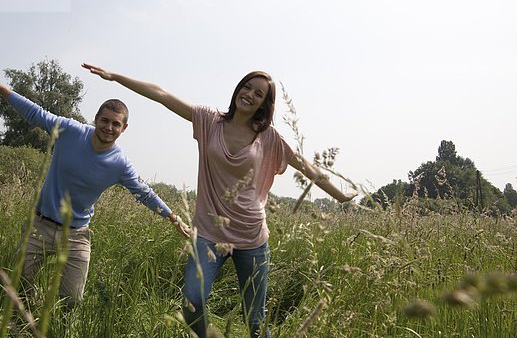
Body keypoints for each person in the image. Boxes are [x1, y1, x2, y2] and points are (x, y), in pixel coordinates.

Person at [81, 63, 356, 337]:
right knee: (192, 303)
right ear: (239, 88)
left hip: (252, 238)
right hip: (209, 234)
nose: (249, 94)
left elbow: (305, 165)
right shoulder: (209, 121)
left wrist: (340, 195)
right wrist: (116, 77)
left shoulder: (268, 137)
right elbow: (162, 94)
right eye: (247, 86)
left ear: (264, 104)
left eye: (258, 94)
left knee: (255, 321)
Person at [0, 69, 189, 307]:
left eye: (116, 124)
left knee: (72, 301)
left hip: (76, 236)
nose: (108, 127)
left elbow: (144, 193)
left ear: (124, 128)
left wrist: (173, 218)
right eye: (104, 121)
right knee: (18, 292)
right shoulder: (70, 131)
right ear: (96, 119)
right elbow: (35, 113)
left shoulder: (120, 164)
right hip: (39, 227)